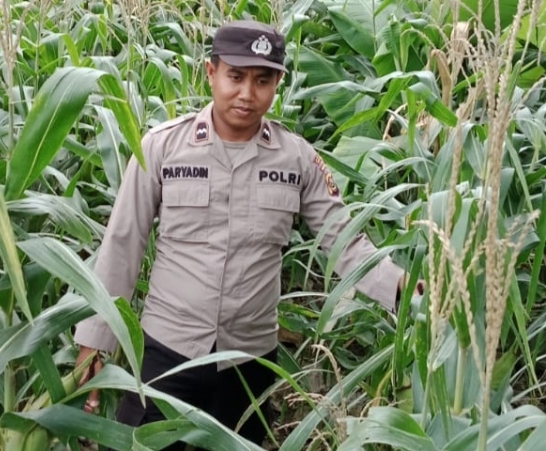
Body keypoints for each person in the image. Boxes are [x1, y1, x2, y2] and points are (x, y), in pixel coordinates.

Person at [74, 20, 420, 449]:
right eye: (235, 77)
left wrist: (404, 287)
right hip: (167, 353)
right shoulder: (162, 148)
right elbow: (123, 244)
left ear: (277, 83)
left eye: (262, 81)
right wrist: (95, 340)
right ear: (211, 73)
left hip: (248, 361)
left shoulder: (297, 159)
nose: (247, 94)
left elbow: (343, 242)